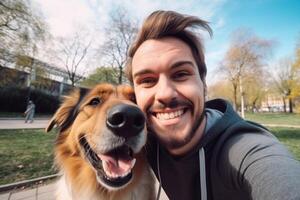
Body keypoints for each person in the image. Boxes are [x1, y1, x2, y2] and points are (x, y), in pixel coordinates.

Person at [125, 10, 300, 200]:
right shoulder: (141, 143)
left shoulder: (244, 148)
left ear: (203, 82)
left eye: (181, 74)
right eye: (148, 80)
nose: (165, 94)